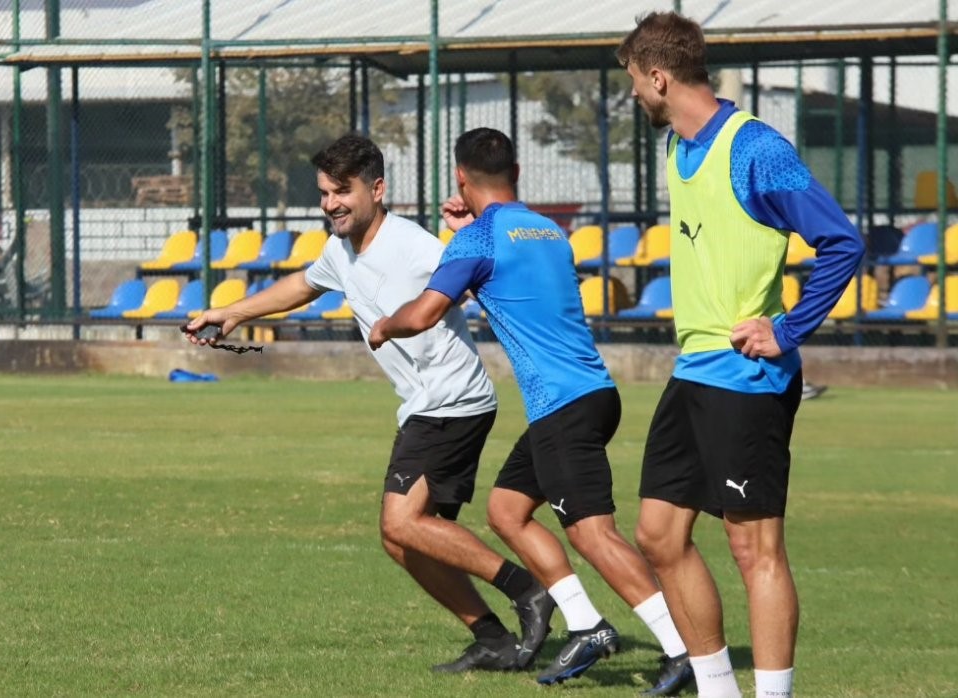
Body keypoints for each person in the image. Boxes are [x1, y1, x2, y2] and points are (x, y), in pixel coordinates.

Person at [185, 134, 554, 673]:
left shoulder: (412, 244)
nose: (331, 203)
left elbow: (478, 274)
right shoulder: (340, 251)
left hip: (453, 401)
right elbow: (303, 286)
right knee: (406, 540)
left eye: (342, 191)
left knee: (401, 523)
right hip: (427, 405)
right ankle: (492, 637)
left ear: (376, 189)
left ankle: (528, 590)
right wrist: (234, 313)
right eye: (324, 193)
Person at [368, 127, 694, 695]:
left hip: (563, 405)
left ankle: (682, 648)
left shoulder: (479, 242)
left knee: (594, 535)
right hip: (589, 396)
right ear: (516, 174)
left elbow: (423, 314)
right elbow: (512, 276)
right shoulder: (549, 230)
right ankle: (588, 624)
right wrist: (466, 228)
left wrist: (383, 324)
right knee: (506, 510)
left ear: (461, 179)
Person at [617, 12, 865, 698]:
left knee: (754, 548)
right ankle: (718, 689)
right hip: (692, 372)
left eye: (635, 81)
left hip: (748, 380)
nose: (636, 94)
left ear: (659, 76)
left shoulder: (756, 148)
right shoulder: (678, 149)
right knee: (659, 536)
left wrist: (786, 330)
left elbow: (842, 242)